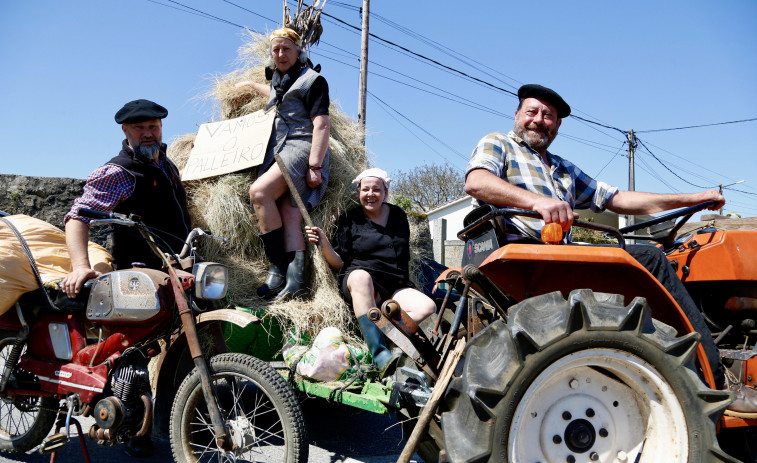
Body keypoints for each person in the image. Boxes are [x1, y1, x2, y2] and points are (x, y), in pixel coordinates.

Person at [464, 83, 757, 413]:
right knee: (651, 258)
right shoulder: (499, 143)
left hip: (559, 256)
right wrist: (538, 202)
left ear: (557, 126)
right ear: (517, 115)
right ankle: (715, 377)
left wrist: (692, 199)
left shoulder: (563, 169)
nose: (539, 120)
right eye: (532, 112)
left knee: (647, 255)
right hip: (535, 258)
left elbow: (619, 199)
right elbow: (477, 181)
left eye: (549, 116)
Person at [61, 99, 190, 456]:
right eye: (139, 128)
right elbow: (78, 216)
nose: (148, 132)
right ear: (125, 131)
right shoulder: (119, 172)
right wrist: (80, 265)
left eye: (153, 126)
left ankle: (177, 415)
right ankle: (134, 428)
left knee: (183, 341)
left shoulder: (167, 166)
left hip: (175, 269)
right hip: (138, 275)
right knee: (134, 350)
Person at [306, 168, 436, 377]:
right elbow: (339, 263)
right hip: (363, 286)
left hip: (395, 285)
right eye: (365, 189)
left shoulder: (398, 215)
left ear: (385, 192)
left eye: (376, 189)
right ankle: (379, 353)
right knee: (360, 276)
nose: (370, 194)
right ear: (358, 192)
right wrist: (323, 243)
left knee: (427, 306)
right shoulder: (350, 219)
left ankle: (381, 334)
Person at [236, 27, 331, 301]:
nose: (280, 54)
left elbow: (322, 124)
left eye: (286, 49)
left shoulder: (313, 80)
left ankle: (276, 266)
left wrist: (315, 166)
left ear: (298, 51)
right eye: (276, 50)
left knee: (259, 192)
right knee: (289, 214)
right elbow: (277, 96)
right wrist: (251, 86)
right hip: (279, 149)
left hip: (301, 147)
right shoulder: (282, 81)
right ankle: (294, 284)